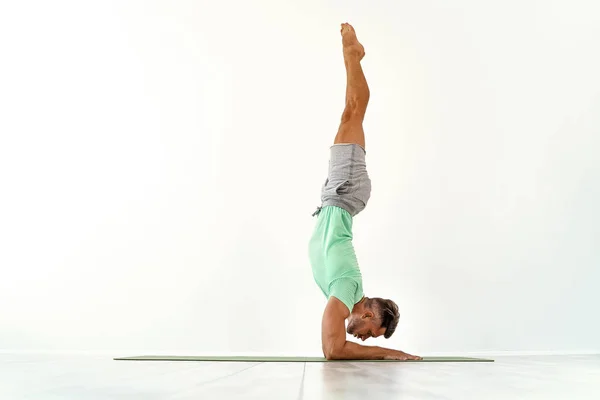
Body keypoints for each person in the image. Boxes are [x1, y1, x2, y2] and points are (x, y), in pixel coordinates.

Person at [309, 23, 421, 361]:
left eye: (370, 339)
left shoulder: (344, 292)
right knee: (353, 111)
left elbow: (334, 348)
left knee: (349, 113)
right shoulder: (346, 290)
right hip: (344, 194)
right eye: (370, 333)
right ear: (368, 315)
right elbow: (333, 351)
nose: (364, 338)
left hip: (336, 197)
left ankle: (352, 58)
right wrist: (388, 355)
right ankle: (353, 56)